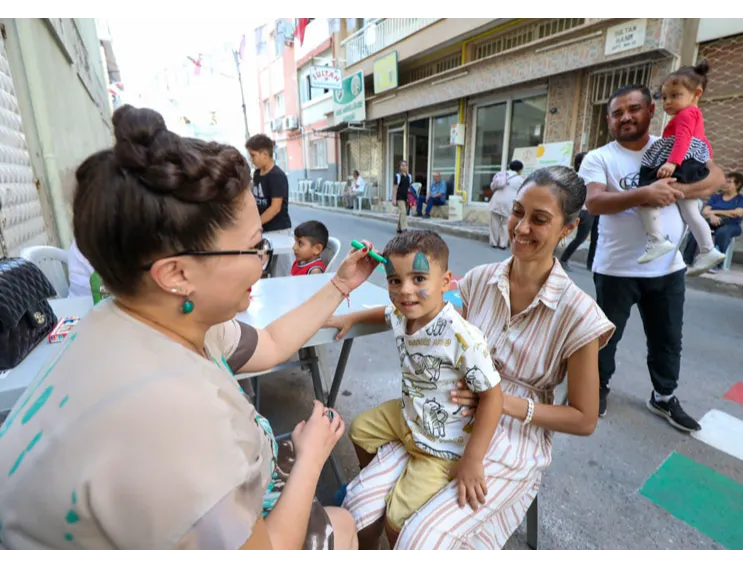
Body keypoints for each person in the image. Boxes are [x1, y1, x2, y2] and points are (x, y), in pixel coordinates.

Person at [0, 105, 380, 552]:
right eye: (254, 248)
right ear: (175, 274)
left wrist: (339, 284)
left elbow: (272, 343)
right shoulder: (174, 421)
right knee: (340, 522)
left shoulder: (138, 317)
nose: (264, 262)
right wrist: (313, 457)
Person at [335, 166, 616, 551]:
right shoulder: (482, 279)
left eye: (539, 219)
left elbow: (584, 419)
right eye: (517, 212)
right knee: (358, 507)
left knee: (418, 538)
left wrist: (503, 403)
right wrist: (350, 307)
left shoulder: (579, 313)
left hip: (514, 437)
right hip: (444, 417)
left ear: (568, 228)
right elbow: (426, 311)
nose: (520, 228)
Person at [326, 231, 504, 549]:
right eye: (395, 281)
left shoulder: (463, 337)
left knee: (398, 519)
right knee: (359, 429)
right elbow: (383, 312)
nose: (405, 291)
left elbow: (493, 395)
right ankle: (380, 480)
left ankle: (393, 538)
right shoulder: (402, 314)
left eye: (418, 278)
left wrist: (474, 460)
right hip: (407, 415)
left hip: (441, 442)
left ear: (445, 281)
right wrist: (350, 317)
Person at [580, 84, 725, 430]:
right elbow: (594, 202)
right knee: (606, 338)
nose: (626, 117)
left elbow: (716, 177)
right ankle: (598, 389)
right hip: (616, 268)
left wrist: (679, 190)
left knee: (668, 338)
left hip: (668, 267)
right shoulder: (600, 157)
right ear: (609, 119)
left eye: (633, 109)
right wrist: (643, 193)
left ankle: (663, 396)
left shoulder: (674, 145)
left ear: (650, 111)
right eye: (617, 113)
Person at [635, 60, 726, 276]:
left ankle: (657, 239)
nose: (667, 102)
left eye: (675, 95)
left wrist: (672, 162)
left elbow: (683, 138)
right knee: (690, 212)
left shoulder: (686, 115)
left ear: (696, 93)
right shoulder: (694, 116)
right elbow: (703, 144)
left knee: (646, 199)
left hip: (682, 164)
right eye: (664, 97)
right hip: (691, 164)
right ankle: (708, 249)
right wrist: (703, 162)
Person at [682, 171, 743, 273]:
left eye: (729, 182)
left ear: (738, 184)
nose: (725, 184)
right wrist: (712, 216)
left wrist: (714, 212)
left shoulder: (741, 199)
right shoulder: (716, 197)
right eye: (725, 181)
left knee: (722, 232)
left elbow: (739, 213)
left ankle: (716, 264)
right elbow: (705, 211)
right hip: (712, 222)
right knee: (697, 229)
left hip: (732, 224)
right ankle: (687, 260)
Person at [246, 134, 293, 277]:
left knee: (281, 273)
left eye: (253, 155)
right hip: (264, 230)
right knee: (265, 271)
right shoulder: (257, 174)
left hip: (279, 230)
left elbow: (275, 208)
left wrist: (256, 223)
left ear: (265, 154)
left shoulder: (277, 176)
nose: (251, 160)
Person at [559, 153, 595, 271]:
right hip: (575, 210)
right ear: (579, 163)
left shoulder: (595, 177)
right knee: (560, 232)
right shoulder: (574, 177)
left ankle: (563, 259)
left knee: (581, 238)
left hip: (588, 212)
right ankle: (546, 255)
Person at [488, 160, 525, 249]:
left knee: (494, 223)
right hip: (509, 203)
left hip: (496, 200)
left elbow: (492, 186)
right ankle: (502, 244)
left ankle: (493, 242)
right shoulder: (520, 179)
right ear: (520, 169)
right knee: (506, 224)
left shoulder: (501, 174)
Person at [393, 160, 412, 233]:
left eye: (405, 165)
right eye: (402, 165)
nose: (404, 167)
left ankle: (399, 228)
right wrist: (394, 199)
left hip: (406, 197)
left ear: (407, 167)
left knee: (403, 213)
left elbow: (409, 187)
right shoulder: (398, 176)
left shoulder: (409, 176)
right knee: (403, 211)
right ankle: (404, 229)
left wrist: (411, 198)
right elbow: (395, 188)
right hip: (399, 197)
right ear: (400, 167)